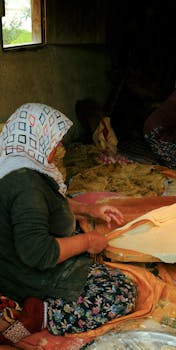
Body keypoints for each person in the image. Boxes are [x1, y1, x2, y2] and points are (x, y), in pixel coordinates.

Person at [0, 103, 137, 344]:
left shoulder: (15, 164)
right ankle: (41, 314)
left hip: (14, 262)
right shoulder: (26, 186)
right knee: (121, 292)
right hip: (25, 274)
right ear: (38, 138)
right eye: (55, 139)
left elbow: (48, 202)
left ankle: (42, 305)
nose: (59, 146)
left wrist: (88, 210)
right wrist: (87, 241)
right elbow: (38, 253)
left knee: (108, 275)